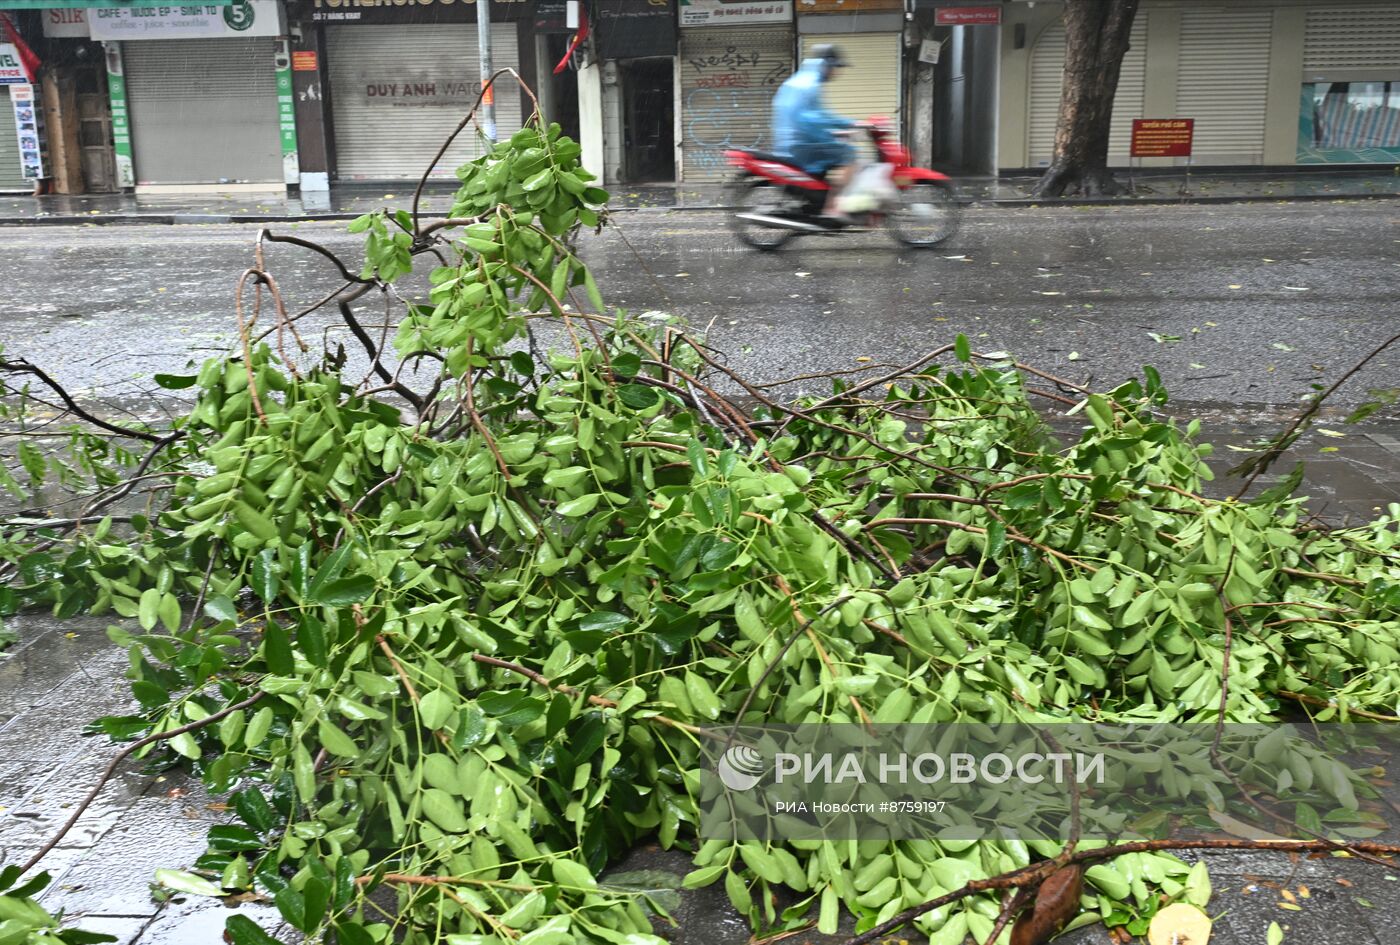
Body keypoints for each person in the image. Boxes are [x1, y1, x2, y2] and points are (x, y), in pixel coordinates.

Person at [771, 44, 857, 219]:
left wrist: (834, 132)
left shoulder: (802, 79)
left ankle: (818, 201)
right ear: (826, 65)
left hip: (791, 142)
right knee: (849, 154)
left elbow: (814, 117)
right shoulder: (810, 84)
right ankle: (833, 209)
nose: (836, 72)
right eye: (835, 68)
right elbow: (810, 119)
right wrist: (848, 124)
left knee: (834, 149)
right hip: (801, 144)